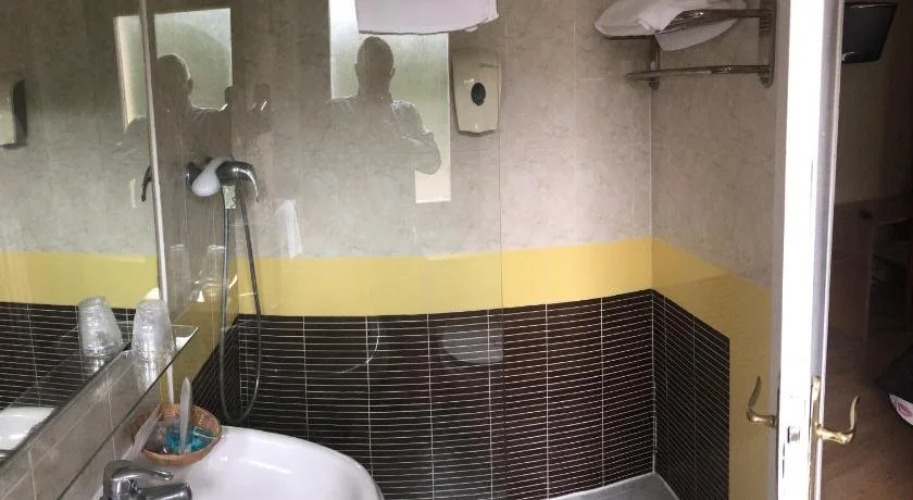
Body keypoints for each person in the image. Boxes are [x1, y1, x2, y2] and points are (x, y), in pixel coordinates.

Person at [324, 36, 441, 176]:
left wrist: (397, 143)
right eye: (369, 73)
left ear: (392, 74)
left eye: (382, 74)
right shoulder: (336, 112)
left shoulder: (407, 112)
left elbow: (434, 163)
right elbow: (319, 164)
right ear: (357, 71)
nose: (375, 81)